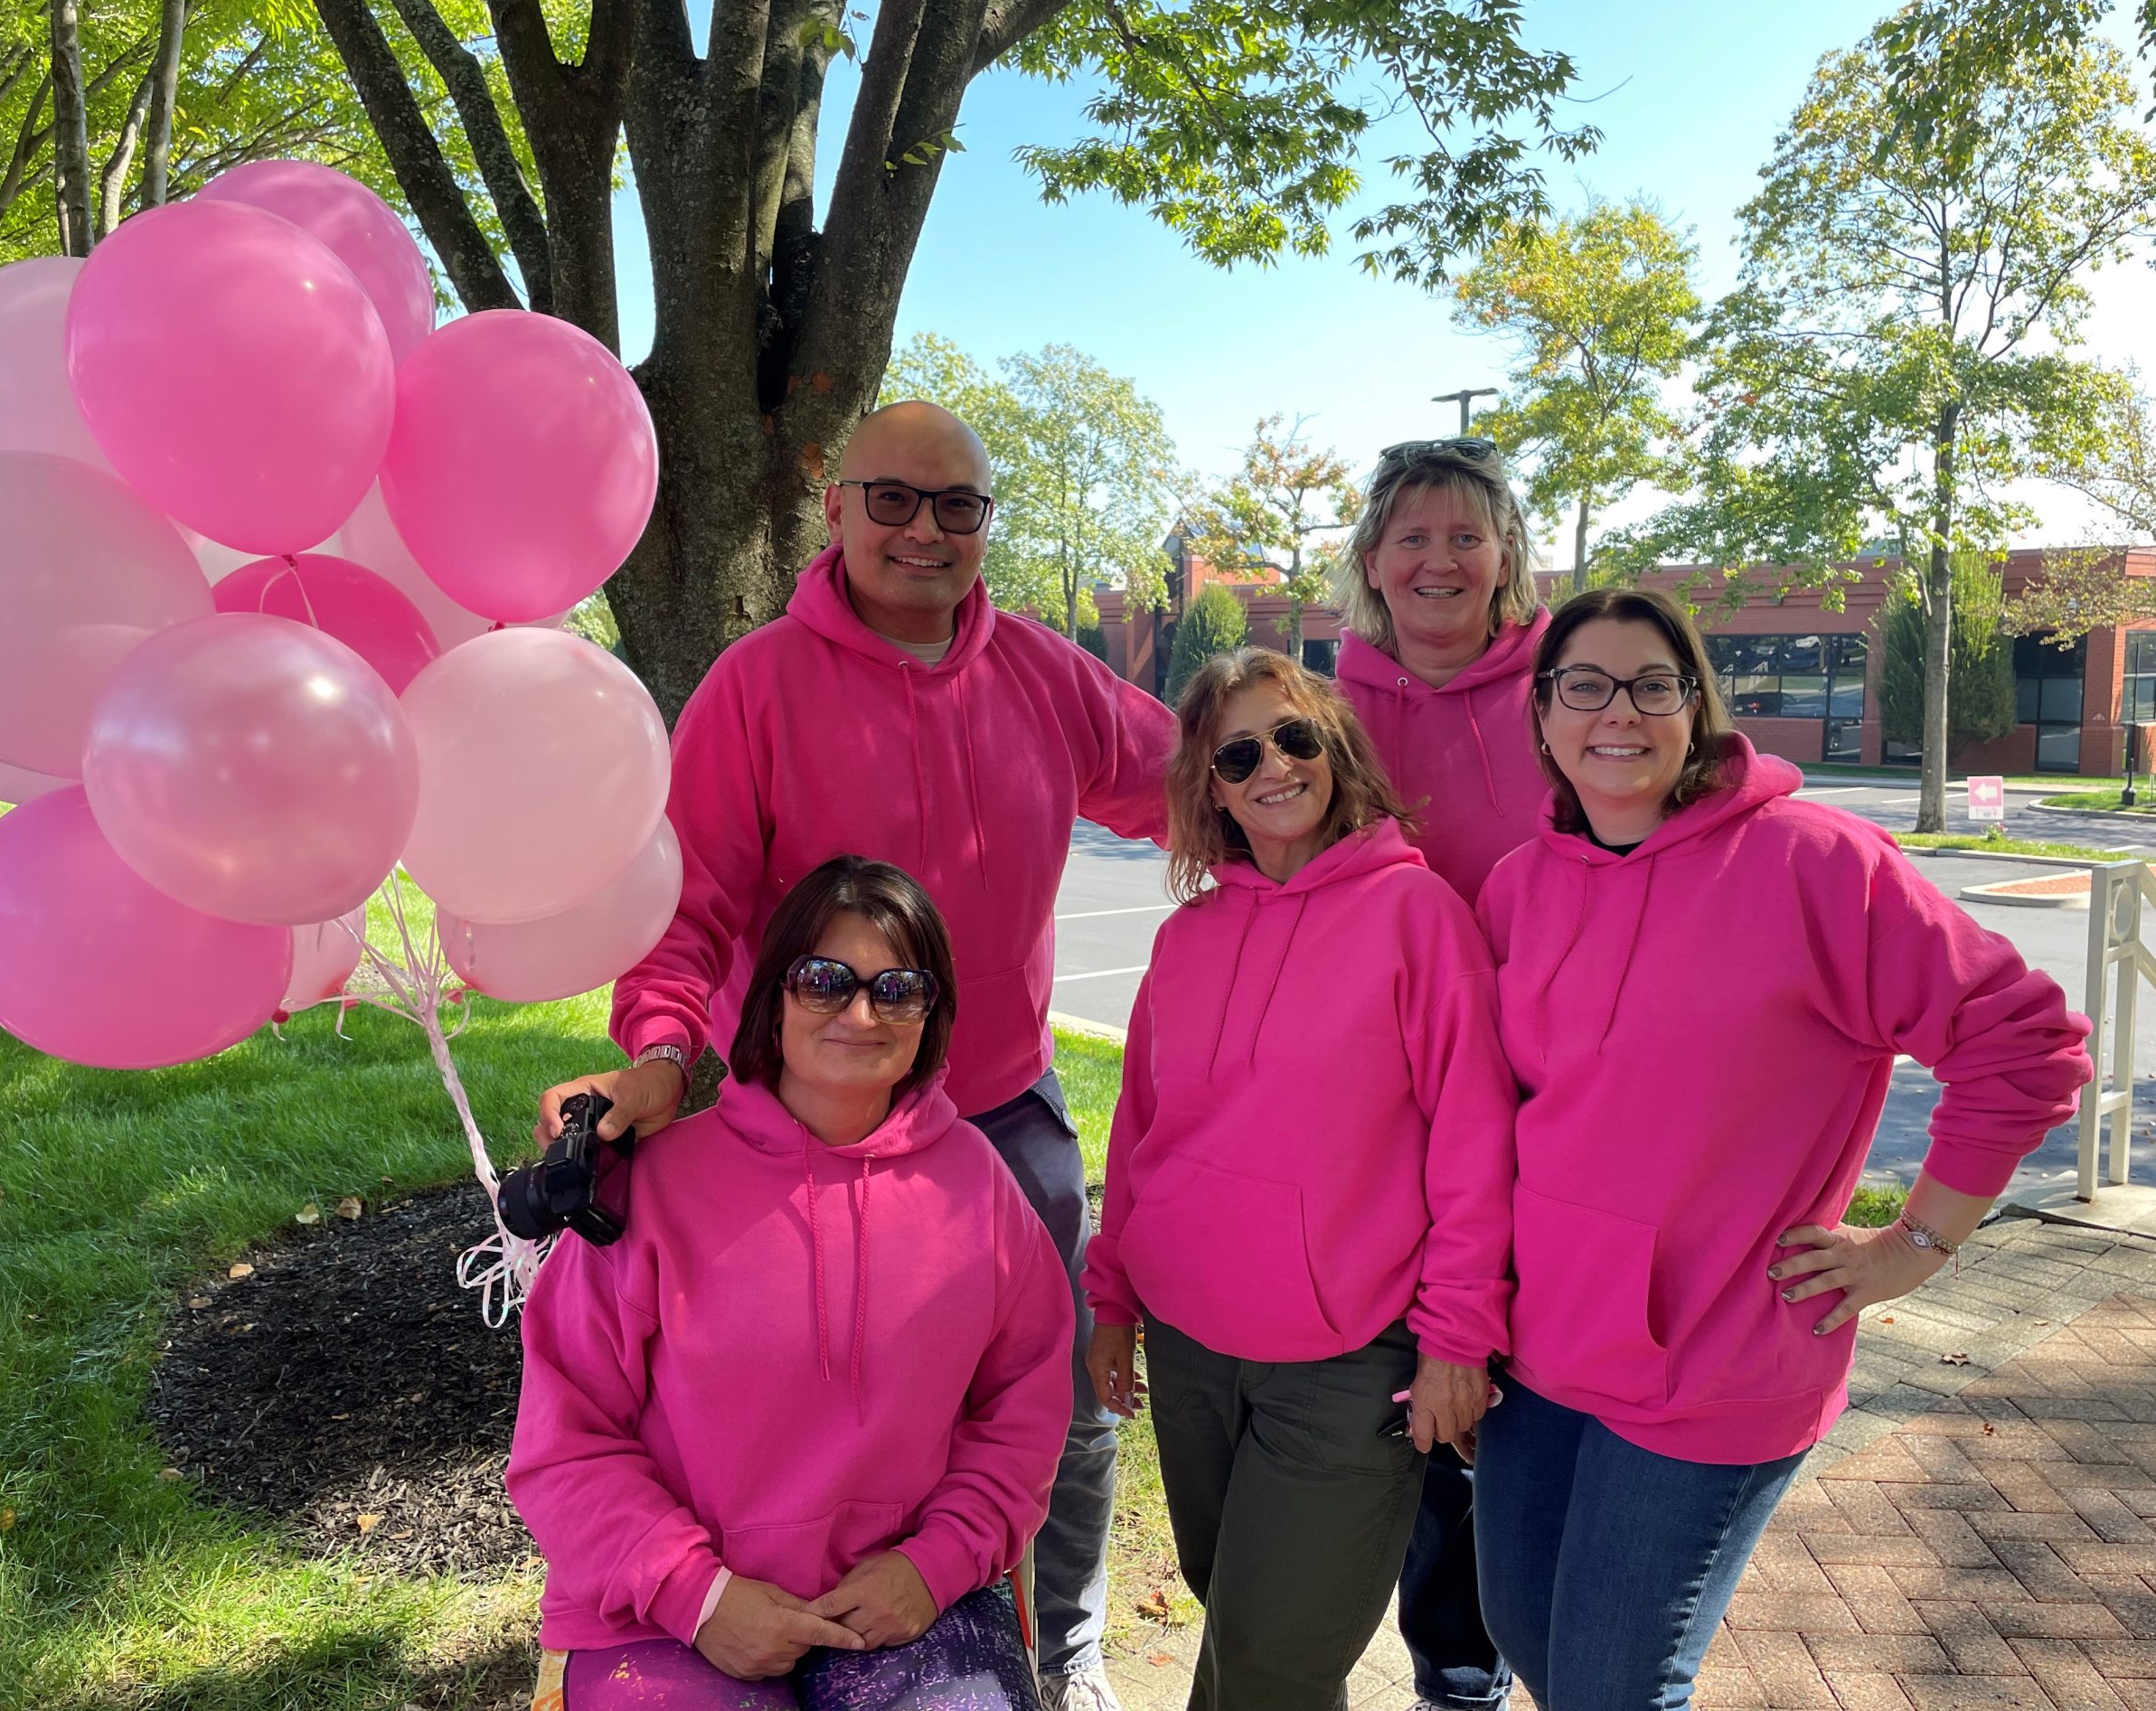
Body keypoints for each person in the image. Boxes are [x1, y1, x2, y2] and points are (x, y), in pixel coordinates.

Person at [537, 401, 1173, 1709]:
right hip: (797, 1118)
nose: (924, 531)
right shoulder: (758, 685)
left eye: (957, 507)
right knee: (768, 1396)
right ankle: (725, 1601)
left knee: (1051, 1406)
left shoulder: (1050, 679)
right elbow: (688, 906)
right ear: (835, 509)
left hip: (994, 1115)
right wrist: (658, 1057)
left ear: (986, 523)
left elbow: (1214, 784)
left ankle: (1068, 1640)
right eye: (892, 499)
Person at [1473, 589, 2092, 1709]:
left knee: (1609, 1688)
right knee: (1524, 1639)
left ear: (1696, 705)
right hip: (1544, 1351)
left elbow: (2024, 1042)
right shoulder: (1521, 888)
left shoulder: (1814, 862)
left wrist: (1918, 1242)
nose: (1618, 713)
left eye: (1651, 685)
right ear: (1543, 713)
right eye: (1584, 686)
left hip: (1718, 1358)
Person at [509, 856, 1073, 1711]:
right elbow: (567, 1443)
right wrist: (696, 1595)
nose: (860, 1012)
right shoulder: (652, 1190)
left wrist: (935, 1565)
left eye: (898, 989)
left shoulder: (980, 1189)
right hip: (665, 1612)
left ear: (932, 1014)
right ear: (772, 998)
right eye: (824, 981)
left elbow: (1023, 1412)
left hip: (904, 1600)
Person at [1082, 646, 1516, 1711]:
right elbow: (1141, 1132)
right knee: (1230, 1609)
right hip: (1187, 1342)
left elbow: (1474, 1143)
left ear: (1336, 750)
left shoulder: (1417, 918)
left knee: (1277, 1659)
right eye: (1238, 754)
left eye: (1293, 737)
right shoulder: (1187, 938)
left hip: (1346, 1358)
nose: (1271, 765)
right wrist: (1111, 1303)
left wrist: (1460, 1338)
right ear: (1211, 788)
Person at [1329, 433, 1547, 1711]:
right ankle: (1447, 1666)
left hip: (1549, 1097)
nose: (1439, 558)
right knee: (1419, 1388)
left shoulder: (1566, 689)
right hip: (1388, 1108)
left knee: (1514, 1390)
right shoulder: (1330, 714)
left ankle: (1467, 1677)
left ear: (1505, 555)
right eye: (1411, 536)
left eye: (1465, 534)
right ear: (1371, 563)